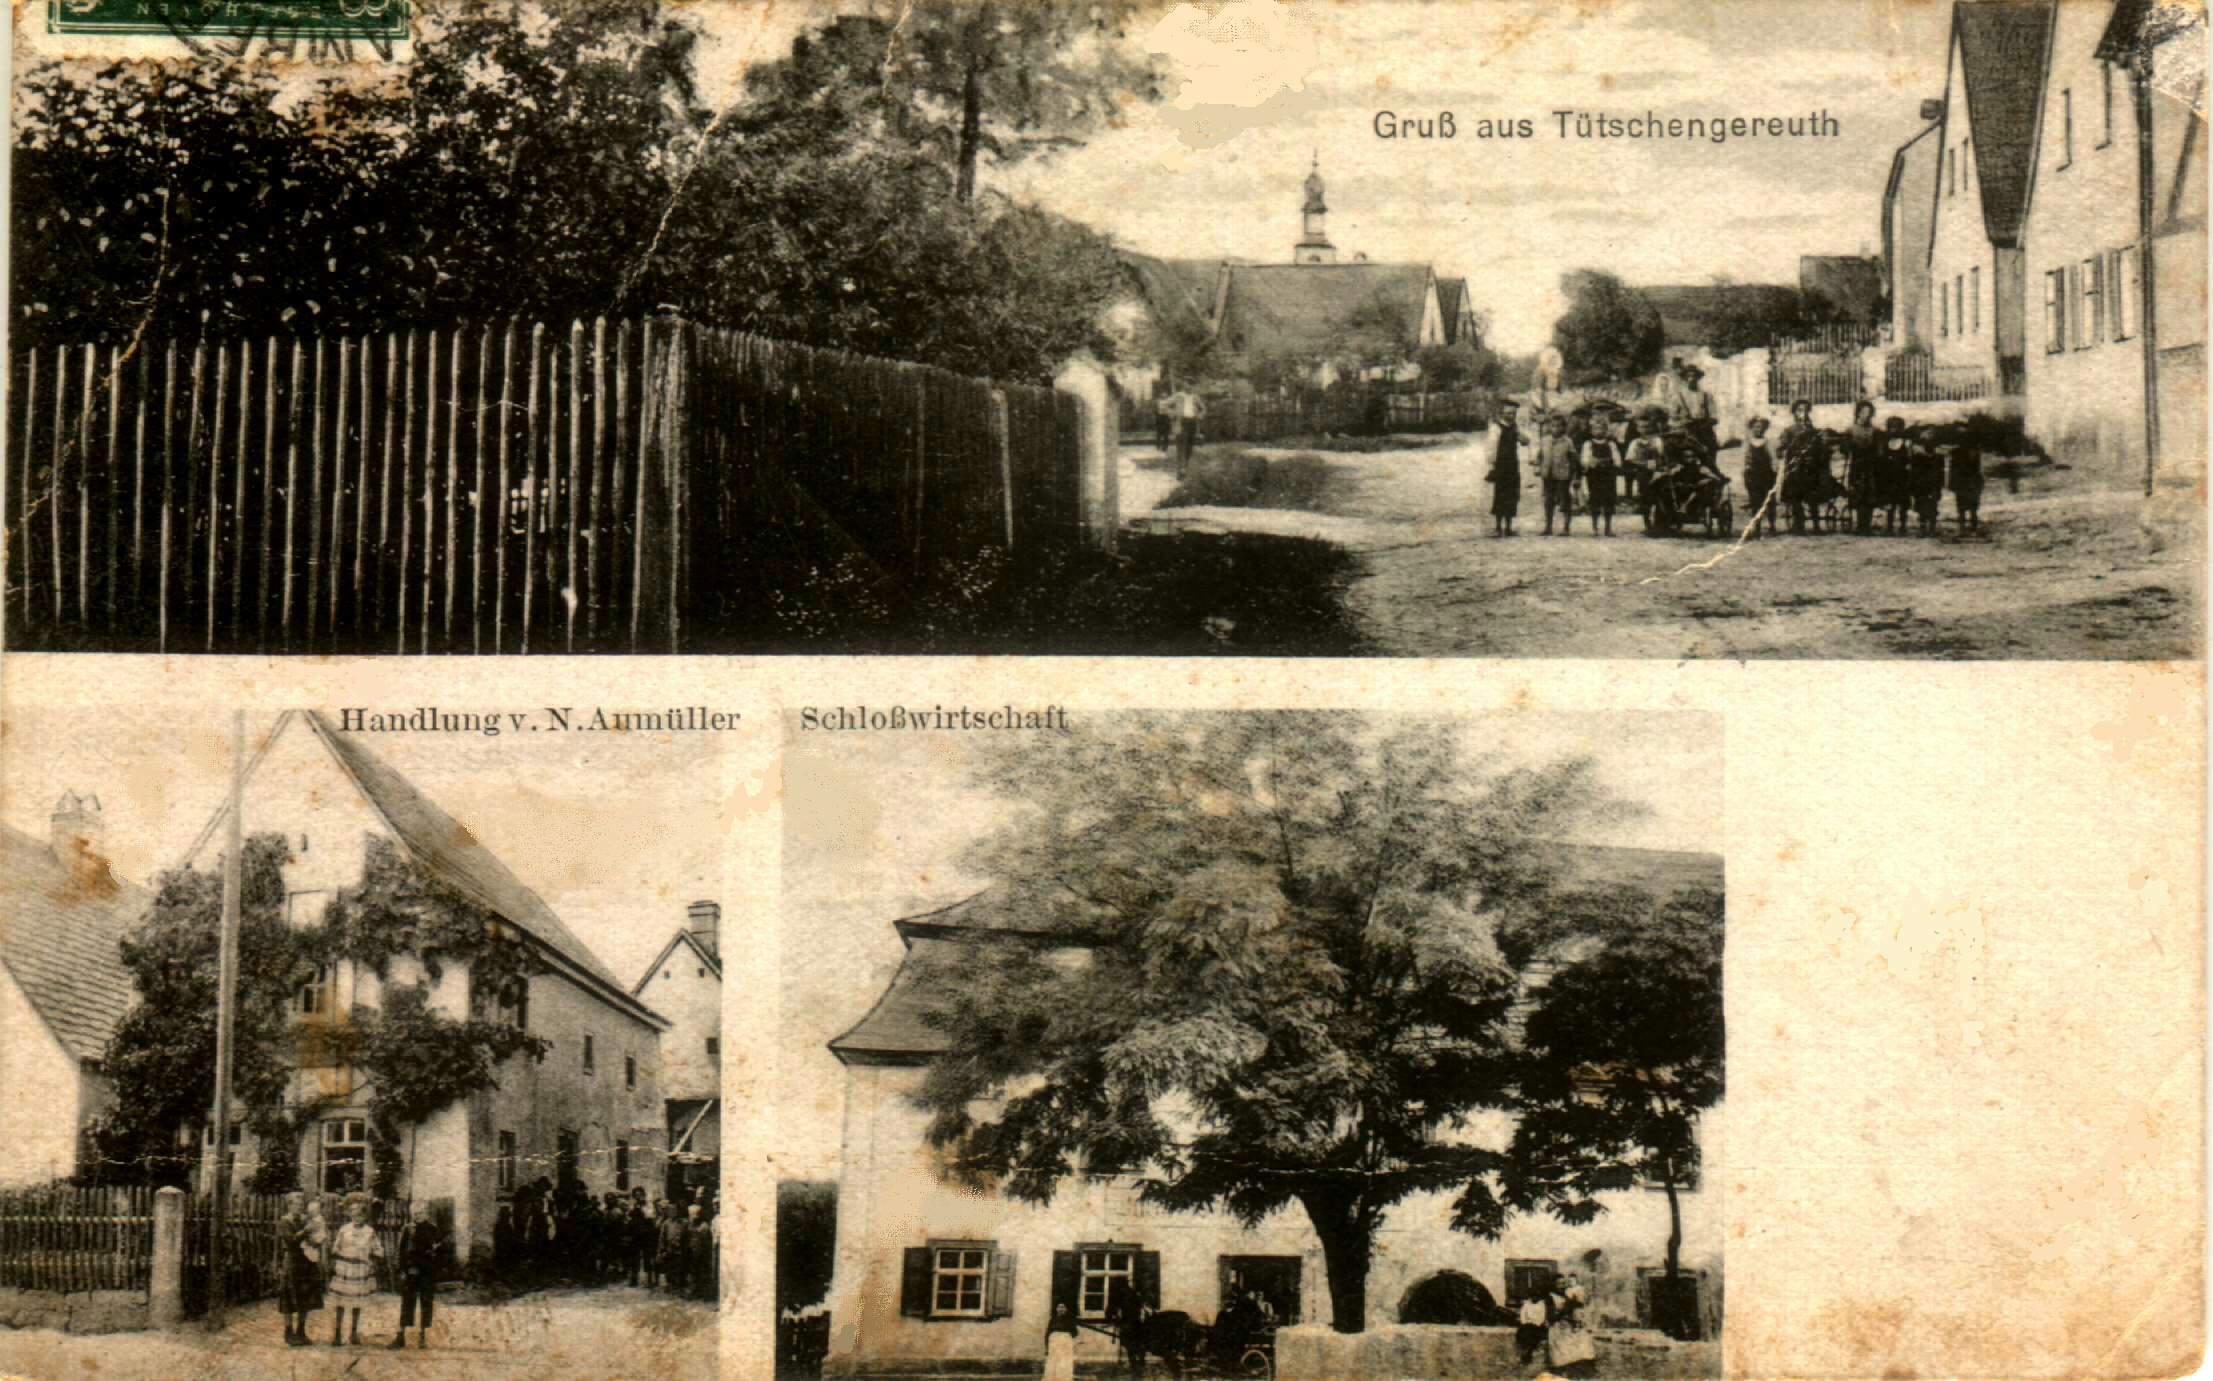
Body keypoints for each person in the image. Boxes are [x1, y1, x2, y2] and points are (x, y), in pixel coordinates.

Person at [326, 1194, 383, 1347]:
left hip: (360, 1270)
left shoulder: (370, 1232)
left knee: (357, 1302)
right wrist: (339, 1258)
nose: (357, 1217)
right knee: (341, 1302)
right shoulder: (344, 1230)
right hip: (345, 1269)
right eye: (354, 1214)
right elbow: (335, 1248)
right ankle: (337, 1334)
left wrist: (370, 1259)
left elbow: (378, 1250)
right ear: (350, 1214)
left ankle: (353, 1334)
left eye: (360, 1214)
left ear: (365, 1216)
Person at [390, 1200, 442, 1350]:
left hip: (427, 1271)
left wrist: (435, 1252)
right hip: (410, 1270)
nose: (417, 1216)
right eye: (414, 1213)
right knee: (407, 1302)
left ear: (426, 1214)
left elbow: (440, 1249)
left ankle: (423, 1336)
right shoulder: (407, 1229)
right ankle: (401, 1336)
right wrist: (401, 1269)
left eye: (420, 1213)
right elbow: (400, 1251)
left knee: (426, 1302)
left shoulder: (433, 1229)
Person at [276, 1191, 326, 1347]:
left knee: (305, 1295)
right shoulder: (284, 1221)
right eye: (296, 1204)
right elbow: (290, 1241)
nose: (299, 1207)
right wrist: (306, 1231)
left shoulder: (306, 1219)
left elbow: (315, 1236)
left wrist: (317, 1239)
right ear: (289, 1205)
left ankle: (301, 1331)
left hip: (306, 1261)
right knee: (289, 1296)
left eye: (301, 1204)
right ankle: (288, 1332)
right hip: (292, 1261)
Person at [1777, 399, 1829, 534]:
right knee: (1796, 496)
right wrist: (1783, 449)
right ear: (1794, 412)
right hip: (1796, 468)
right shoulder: (1789, 430)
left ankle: (1816, 525)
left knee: (1812, 496)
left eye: (1805, 410)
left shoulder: (1813, 430)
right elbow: (1782, 447)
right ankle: (1798, 525)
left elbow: (1819, 447)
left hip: (1810, 468)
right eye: (1799, 410)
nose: (1803, 413)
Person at [1535, 414, 1581, 536]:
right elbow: (1539, 455)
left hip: (1563, 475)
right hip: (1548, 474)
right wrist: (1538, 466)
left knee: (1564, 500)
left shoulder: (1568, 442)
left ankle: (1566, 527)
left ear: (1564, 428)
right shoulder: (1545, 440)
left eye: (1558, 426)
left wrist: (1575, 476)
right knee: (1548, 500)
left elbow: (1573, 459)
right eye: (1553, 426)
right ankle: (1548, 526)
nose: (1555, 428)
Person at [1546, 1272, 1598, 1378]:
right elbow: (1551, 1318)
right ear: (1554, 1285)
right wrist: (1564, 1310)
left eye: (1564, 1283)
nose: (1562, 1286)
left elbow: (1575, 1310)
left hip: (1568, 1325)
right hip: (1558, 1328)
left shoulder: (1567, 1296)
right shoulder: (1551, 1298)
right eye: (1559, 1284)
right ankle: (1567, 1369)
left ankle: (1582, 1368)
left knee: (1584, 1338)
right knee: (1566, 1346)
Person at [1842, 400, 1882, 534]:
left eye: (1869, 412)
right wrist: (1848, 449)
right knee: (1858, 493)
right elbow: (1844, 448)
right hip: (1857, 465)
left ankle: (1867, 525)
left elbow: (1879, 448)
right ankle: (1860, 525)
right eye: (1864, 412)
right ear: (1858, 413)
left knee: (1870, 493)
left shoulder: (1875, 431)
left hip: (1871, 465)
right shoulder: (1851, 430)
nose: (1866, 415)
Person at [1485, 400, 1522, 537]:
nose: (1511, 416)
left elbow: (1525, 441)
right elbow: (1491, 447)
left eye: (1513, 413)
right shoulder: (1496, 428)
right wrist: (1492, 465)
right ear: (1502, 414)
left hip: (1513, 465)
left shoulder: (1515, 427)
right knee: (1500, 495)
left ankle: (1508, 527)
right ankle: (1498, 526)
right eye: (1508, 413)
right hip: (1501, 466)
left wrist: (1520, 435)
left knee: (1512, 495)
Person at [1579, 422, 1622, 536]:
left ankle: (1608, 527)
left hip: (1608, 475)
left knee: (1609, 500)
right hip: (1594, 476)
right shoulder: (1588, 444)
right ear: (1591, 431)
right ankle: (1595, 528)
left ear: (1606, 431)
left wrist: (1611, 463)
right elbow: (1584, 459)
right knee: (1595, 500)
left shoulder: (1611, 444)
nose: (1599, 431)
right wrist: (1591, 462)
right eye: (1595, 429)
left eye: (1601, 429)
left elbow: (1617, 460)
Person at [1741, 416, 1778, 537]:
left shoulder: (1768, 442)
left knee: (1769, 500)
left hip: (1766, 474)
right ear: (1751, 428)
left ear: (1764, 429)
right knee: (1755, 501)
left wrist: (1774, 468)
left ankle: (1772, 526)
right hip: (1754, 474)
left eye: (1760, 427)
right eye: (1755, 427)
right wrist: (1746, 469)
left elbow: (1773, 457)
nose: (1758, 429)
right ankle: (1757, 527)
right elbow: (1745, 458)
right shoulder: (1748, 443)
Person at [1910, 427, 1947, 536]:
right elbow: (1913, 468)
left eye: (1932, 433)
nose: (1930, 435)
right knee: (1921, 505)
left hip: (1933, 482)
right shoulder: (1916, 450)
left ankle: (1932, 528)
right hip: (1921, 482)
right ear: (1922, 434)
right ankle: (1922, 528)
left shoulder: (1938, 451)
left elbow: (1941, 469)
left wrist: (1941, 483)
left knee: (1933, 505)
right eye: (1927, 433)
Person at [1880, 416, 1914, 533]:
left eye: (1896, 427)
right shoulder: (1885, 443)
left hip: (1902, 477)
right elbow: (1882, 459)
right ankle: (1889, 526)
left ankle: (1903, 526)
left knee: (1902, 503)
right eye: (1891, 427)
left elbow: (1910, 459)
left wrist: (1908, 468)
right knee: (1890, 503)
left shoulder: (1906, 443)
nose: (1894, 430)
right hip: (1889, 477)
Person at [1947, 431, 1985, 534]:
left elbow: (1978, 469)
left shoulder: (1974, 452)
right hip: (1964, 483)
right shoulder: (1957, 453)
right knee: (1964, 507)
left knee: (1970, 507)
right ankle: (1965, 527)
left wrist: (1979, 483)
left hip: (1970, 483)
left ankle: (1970, 527)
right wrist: (1952, 483)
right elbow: (1953, 469)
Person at [658, 1199, 690, 1295]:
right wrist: (662, 1250)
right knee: (669, 1268)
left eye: (675, 1210)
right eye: (671, 1211)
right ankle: (670, 1285)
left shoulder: (683, 1223)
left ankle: (680, 1286)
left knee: (679, 1269)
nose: (673, 1212)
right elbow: (662, 1238)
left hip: (680, 1250)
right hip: (669, 1250)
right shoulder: (666, 1223)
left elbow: (687, 1237)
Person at [1043, 1302, 1080, 1381]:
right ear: (1056, 1309)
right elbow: (1048, 1332)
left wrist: (1066, 1335)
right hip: (1054, 1343)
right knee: (1053, 1361)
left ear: (1066, 1309)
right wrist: (1046, 1347)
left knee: (1064, 1361)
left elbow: (1075, 1333)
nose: (1061, 1309)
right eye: (1059, 1307)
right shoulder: (1053, 1320)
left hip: (1065, 1343)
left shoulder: (1069, 1319)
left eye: (1063, 1307)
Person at [1172, 390, 1204, 479]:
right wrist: (1173, 414)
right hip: (1181, 422)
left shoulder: (1196, 397)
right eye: (1187, 384)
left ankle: (1184, 467)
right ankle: (1180, 470)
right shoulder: (1178, 396)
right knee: (1181, 446)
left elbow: (1203, 409)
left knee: (1189, 448)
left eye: (1191, 384)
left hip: (1192, 422)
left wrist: (1200, 416)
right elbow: (1165, 405)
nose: (1189, 386)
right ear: (1184, 385)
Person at [1514, 1289, 1548, 1367]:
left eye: (1536, 1296)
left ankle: (1528, 1354)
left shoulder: (1541, 1304)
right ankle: (1525, 1353)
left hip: (1537, 1325)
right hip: (1527, 1324)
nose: (1534, 1298)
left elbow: (1542, 1317)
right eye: (1532, 1296)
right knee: (1523, 1334)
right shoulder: (1526, 1304)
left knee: (1533, 1336)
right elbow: (1523, 1315)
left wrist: (1536, 1323)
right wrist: (1525, 1322)